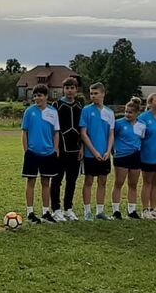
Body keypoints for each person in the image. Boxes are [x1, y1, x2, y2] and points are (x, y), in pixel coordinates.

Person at [20, 83, 60, 224]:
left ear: (46, 96)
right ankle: (30, 213)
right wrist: (27, 150)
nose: (37, 98)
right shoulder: (29, 112)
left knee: (46, 182)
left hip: (48, 153)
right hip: (32, 153)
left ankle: (46, 212)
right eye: (35, 96)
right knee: (31, 181)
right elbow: (24, 132)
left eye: (40, 95)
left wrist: (55, 149)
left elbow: (56, 133)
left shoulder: (53, 112)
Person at [79, 82, 115, 221]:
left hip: (104, 154)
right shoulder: (86, 111)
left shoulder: (109, 112)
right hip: (90, 154)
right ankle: (87, 211)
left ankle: (100, 211)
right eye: (91, 93)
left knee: (103, 181)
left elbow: (111, 134)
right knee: (88, 181)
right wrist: (94, 152)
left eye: (96, 93)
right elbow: (83, 133)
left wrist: (108, 151)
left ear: (103, 94)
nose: (93, 96)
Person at [50, 76, 83, 221]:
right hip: (60, 149)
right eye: (67, 88)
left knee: (72, 180)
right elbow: (53, 128)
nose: (69, 91)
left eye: (72, 88)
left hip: (75, 149)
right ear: (63, 90)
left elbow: (82, 129)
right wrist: (55, 147)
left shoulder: (80, 106)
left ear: (76, 90)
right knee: (57, 180)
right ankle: (56, 209)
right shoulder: (56, 105)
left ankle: (68, 208)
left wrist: (82, 147)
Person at [110, 97, 146, 219]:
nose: (127, 114)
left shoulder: (142, 125)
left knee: (133, 184)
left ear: (137, 113)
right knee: (119, 183)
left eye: (130, 112)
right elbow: (111, 138)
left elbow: (141, 139)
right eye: (126, 111)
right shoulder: (119, 124)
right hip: (121, 156)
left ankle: (132, 210)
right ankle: (116, 210)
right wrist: (113, 151)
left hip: (135, 156)